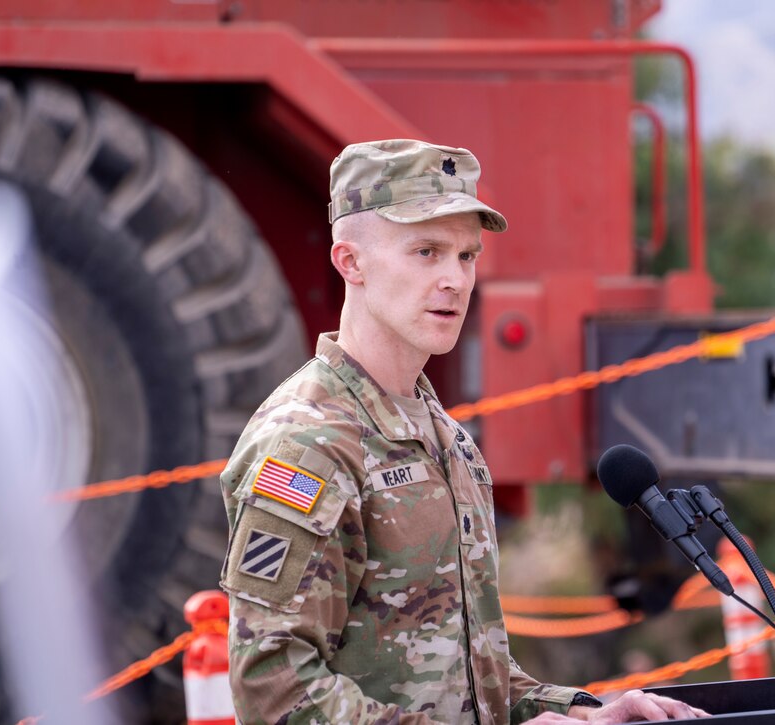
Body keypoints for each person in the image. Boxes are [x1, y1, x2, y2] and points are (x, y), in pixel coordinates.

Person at [218, 139, 709, 723]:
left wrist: (583, 714)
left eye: (467, 256)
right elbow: (274, 690)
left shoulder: (449, 440)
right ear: (351, 262)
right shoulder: (309, 445)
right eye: (426, 251)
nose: (455, 279)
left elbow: (470, 679)